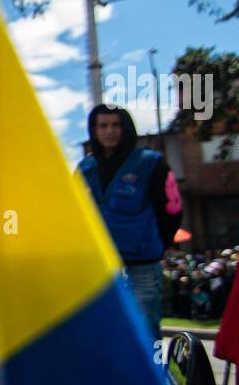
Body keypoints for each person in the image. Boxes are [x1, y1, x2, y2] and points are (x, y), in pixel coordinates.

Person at [76, 104, 182, 342]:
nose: (109, 131)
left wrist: (157, 245)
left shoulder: (151, 163)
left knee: (144, 325)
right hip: (100, 263)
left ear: (126, 128)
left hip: (142, 263)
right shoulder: (85, 168)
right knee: (101, 326)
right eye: (103, 125)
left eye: (116, 125)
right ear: (94, 130)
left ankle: (152, 377)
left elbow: (172, 209)